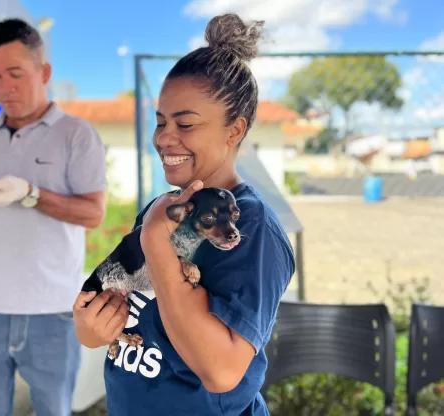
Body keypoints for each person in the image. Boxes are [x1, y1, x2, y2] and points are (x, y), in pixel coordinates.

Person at [72, 13, 295, 416]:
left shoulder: (250, 225)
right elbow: (110, 309)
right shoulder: (161, 211)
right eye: (160, 122)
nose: (164, 137)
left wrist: (156, 244)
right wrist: (91, 329)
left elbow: (222, 370)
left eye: (185, 124)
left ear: (234, 130)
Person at [0, 18, 107, 416]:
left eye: (16, 73)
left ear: (44, 72)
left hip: (52, 310)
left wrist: (32, 194)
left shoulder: (76, 135)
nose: (5, 87)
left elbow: (93, 213)